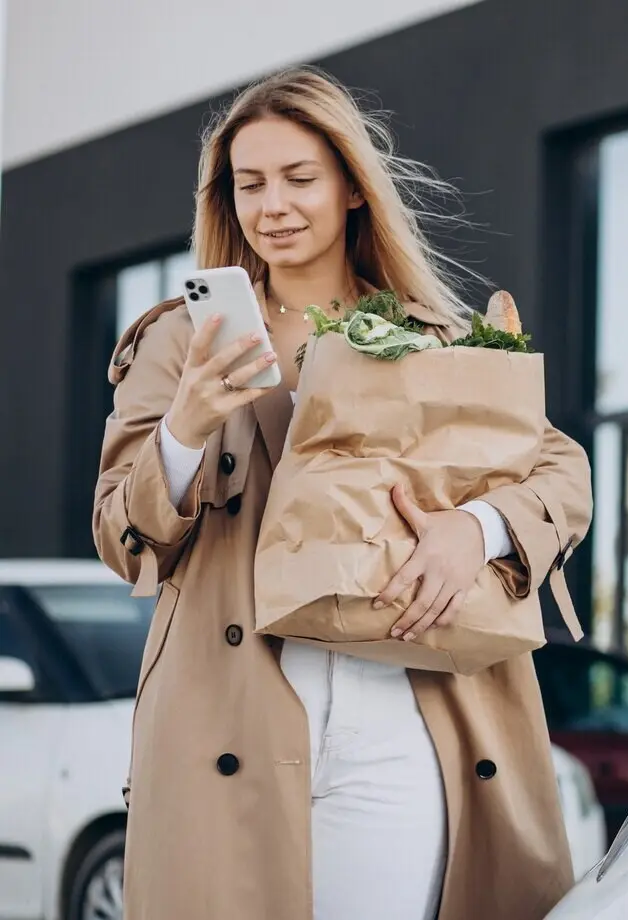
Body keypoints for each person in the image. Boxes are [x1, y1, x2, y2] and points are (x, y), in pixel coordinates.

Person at [93, 66, 591, 920]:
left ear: (353, 189)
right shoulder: (182, 339)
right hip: (230, 710)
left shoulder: (432, 334)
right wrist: (183, 428)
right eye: (251, 184)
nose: (273, 206)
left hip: (401, 698)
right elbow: (117, 532)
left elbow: (559, 469)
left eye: (299, 179)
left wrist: (475, 531)